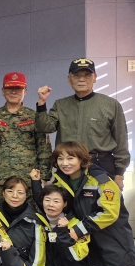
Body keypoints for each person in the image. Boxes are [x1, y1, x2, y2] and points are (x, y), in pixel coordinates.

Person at [36, 58, 129, 190]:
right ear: (69, 79)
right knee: (67, 202)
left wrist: (119, 175)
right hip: (67, 167)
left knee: (104, 202)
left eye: (87, 75)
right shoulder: (60, 105)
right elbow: (44, 127)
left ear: (95, 77)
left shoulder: (111, 105)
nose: (81, 79)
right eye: (77, 75)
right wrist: (41, 103)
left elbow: (121, 140)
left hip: (100, 165)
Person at [0, 72, 52, 205]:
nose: (13, 92)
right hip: (1, 179)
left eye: (18, 88)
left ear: (25, 91)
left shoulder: (33, 116)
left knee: (30, 215)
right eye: (9, 88)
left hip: (28, 180)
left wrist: (44, 177)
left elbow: (44, 147)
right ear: (3, 91)